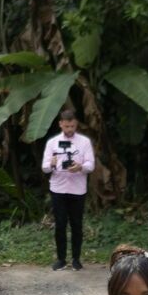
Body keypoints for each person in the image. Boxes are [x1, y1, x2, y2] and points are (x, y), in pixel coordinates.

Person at [41, 106, 96, 270]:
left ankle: (76, 259)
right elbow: (44, 167)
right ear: (60, 124)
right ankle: (61, 259)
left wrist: (80, 167)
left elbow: (91, 164)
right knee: (60, 224)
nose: (69, 129)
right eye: (66, 126)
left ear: (76, 124)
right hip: (58, 188)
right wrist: (51, 164)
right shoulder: (52, 143)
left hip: (78, 189)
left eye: (72, 126)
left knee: (77, 225)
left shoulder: (84, 142)